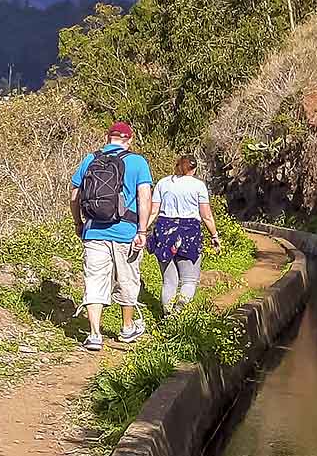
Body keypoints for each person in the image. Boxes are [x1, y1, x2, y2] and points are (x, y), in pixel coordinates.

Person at [70, 122, 153, 351]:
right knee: (127, 279)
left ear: (108, 138)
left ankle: (94, 334)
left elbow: (75, 194)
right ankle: (127, 328)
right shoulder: (137, 162)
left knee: (95, 280)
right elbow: (144, 198)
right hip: (126, 232)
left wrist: (78, 223)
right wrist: (142, 230)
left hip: (94, 231)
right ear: (129, 139)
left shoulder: (90, 159)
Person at [147, 155, 222, 311]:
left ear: (177, 166)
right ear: (194, 169)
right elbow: (206, 216)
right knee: (189, 280)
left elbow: (153, 211)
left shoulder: (163, 183)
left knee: (169, 282)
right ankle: (180, 308)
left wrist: (141, 231)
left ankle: (168, 316)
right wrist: (214, 235)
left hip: (165, 231)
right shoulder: (198, 186)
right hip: (189, 232)